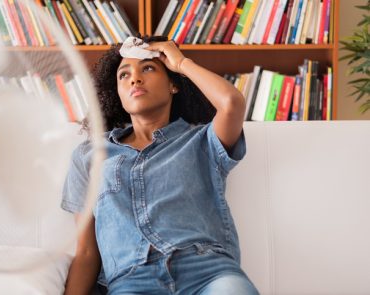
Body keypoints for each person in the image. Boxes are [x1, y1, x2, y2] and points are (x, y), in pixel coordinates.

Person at [61, 35, 259, 295]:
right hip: (131, 281)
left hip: (207, 271)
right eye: (124, 75)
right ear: (117, 92)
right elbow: (86, 252)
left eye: (148, 68)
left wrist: (180, 62)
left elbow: (231, 103)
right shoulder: (89, 155)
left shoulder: (201, 140)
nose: (135, 78)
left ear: (173, 85)